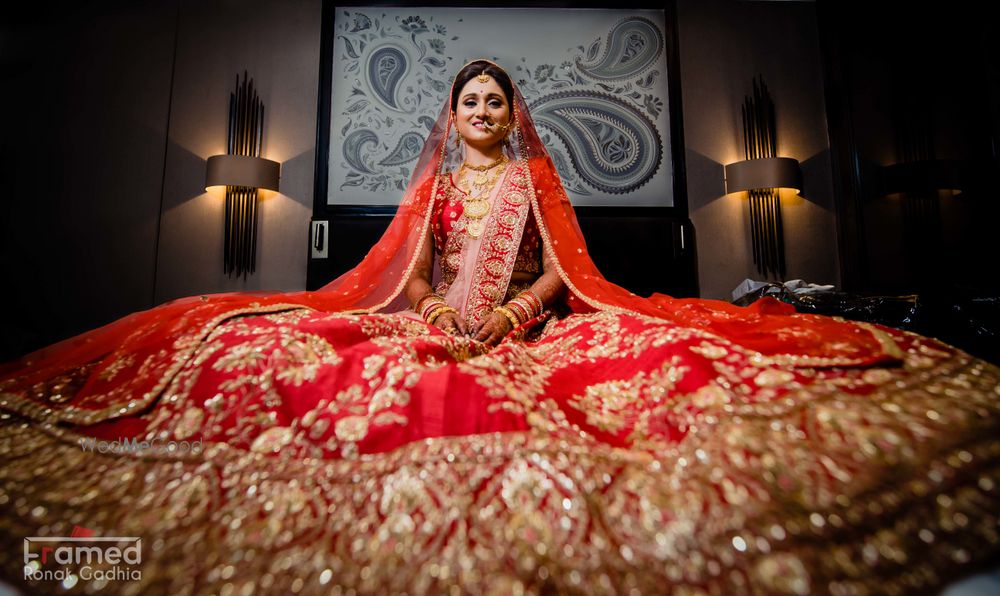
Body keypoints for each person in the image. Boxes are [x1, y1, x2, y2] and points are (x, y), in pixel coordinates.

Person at [0, 59, 998, 594]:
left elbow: (569, 281)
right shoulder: (431, 181)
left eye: (494, 98)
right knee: (249, 347)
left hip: (525, 333)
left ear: (511, 111)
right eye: (468, 98)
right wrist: (438, 314)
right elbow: (410, 273)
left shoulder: (537, 178)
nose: (481, 108)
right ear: (452, 111)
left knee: (674, 361)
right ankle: (83, 550)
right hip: (433, 323)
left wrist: (512, 319)